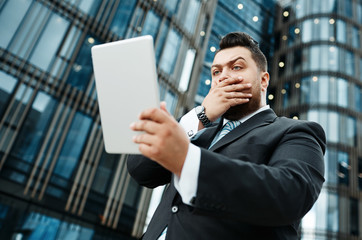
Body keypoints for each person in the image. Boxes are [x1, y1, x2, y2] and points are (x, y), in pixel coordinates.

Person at [127, 32, 326, 239]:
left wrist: (189, 161)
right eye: (215, 72)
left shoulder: (295, 132)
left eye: (237, 67)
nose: (222, 77)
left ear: (263, 80)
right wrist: (201, 117)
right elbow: (140, 170)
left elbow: (290, 196)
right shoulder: (196, 131)